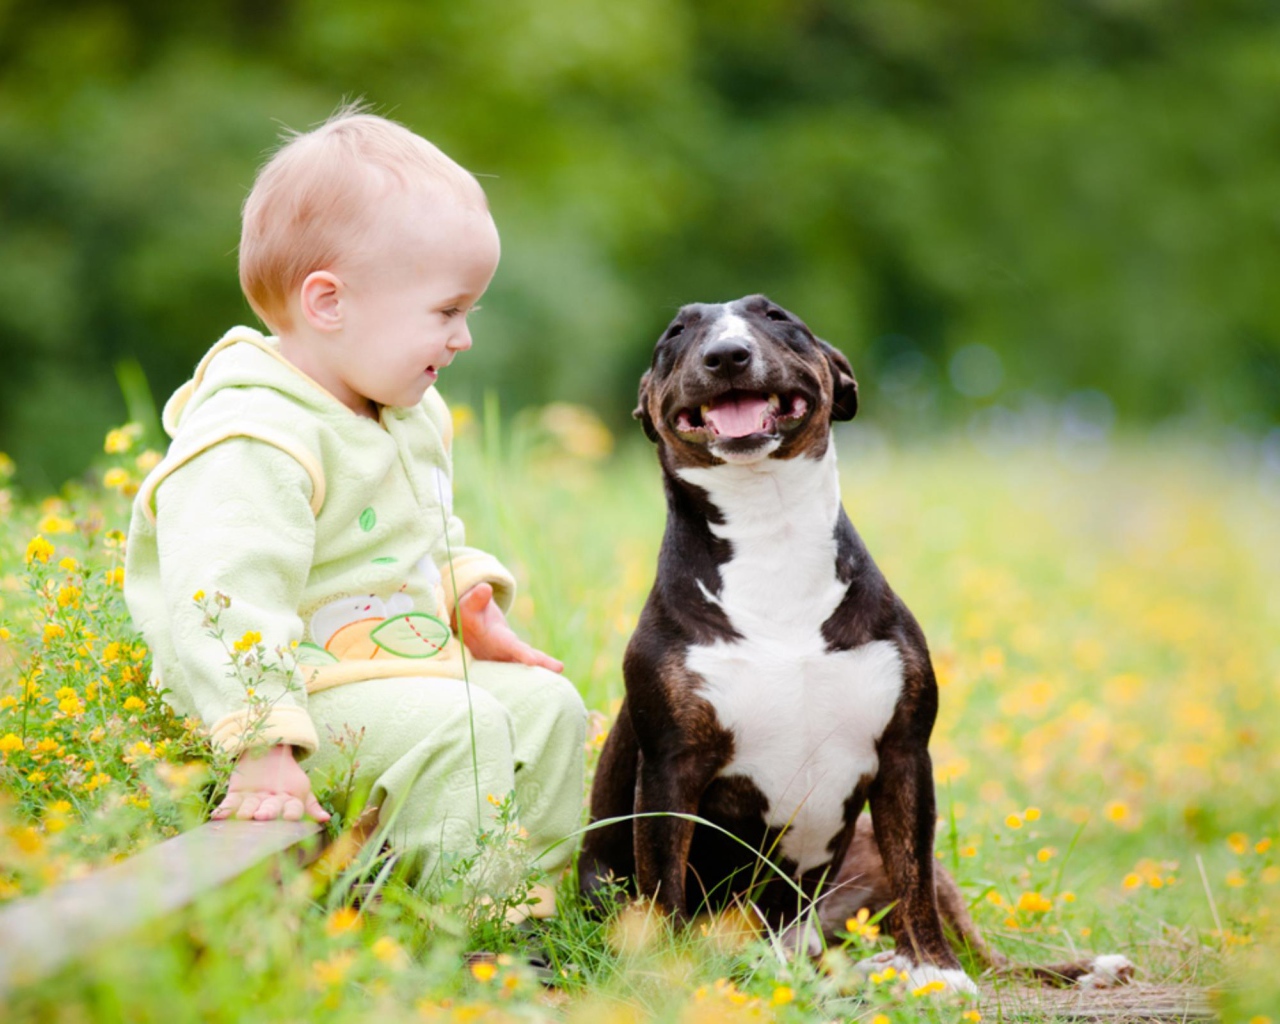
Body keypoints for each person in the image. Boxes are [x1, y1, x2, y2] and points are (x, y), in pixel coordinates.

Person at [124, 107, 587, 902]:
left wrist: (465, 595)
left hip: (393, 674)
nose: (464, 337)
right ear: (329, 303)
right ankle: (452, 934)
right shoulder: (254, 433)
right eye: (447, 311)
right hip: (289, 710)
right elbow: (222, 601)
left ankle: (528, 918)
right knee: (464, 733)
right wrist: (262, 742)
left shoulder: (406, 413)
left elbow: (428, 532)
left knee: (549, 706)